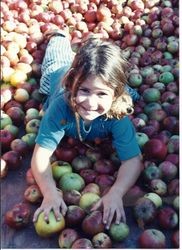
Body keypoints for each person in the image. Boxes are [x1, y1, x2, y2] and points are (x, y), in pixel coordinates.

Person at [31, 30, 143, 230]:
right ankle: (60, 36)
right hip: (58, 75)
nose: (91, 103)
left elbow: (133, 161)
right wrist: (49, 192)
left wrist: (116, 192)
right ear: (72, 84)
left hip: (113, 91)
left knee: (133, 95)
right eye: (84, 90)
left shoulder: (117, 115)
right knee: (55, 61)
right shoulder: (61, 106)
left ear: (115, 95)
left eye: (102, 94)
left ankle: (123, 90)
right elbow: (40, 156)